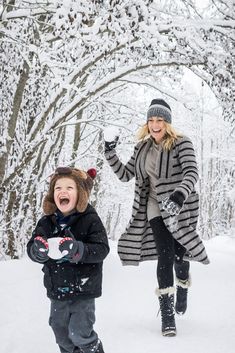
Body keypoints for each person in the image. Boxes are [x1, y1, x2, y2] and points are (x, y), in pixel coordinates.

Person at [104, 98, 209, 337]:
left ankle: (183, 283)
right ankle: (167, 315)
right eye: (151, 120)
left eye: (159, 119)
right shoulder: (142, 148)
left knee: (179, 256)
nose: (154, 124)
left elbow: (192, 172)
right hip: (153, 205)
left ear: (167, 122)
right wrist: (110, 152)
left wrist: (179, 195)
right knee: (165, 254)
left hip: (181, 206)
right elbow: (124, 174)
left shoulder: (182, 144)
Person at [27, 167, 109, 353]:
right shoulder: (46, 222)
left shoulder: (90, 219)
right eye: (58, 188)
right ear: (52, 195)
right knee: (61, 333)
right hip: (57, 288)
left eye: (69, 188)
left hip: (83, 288)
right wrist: (37, 251)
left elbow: (102, 249)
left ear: (80, 194)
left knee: (80, 333)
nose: (63, 191)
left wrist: (77, 249)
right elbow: (33, 247)